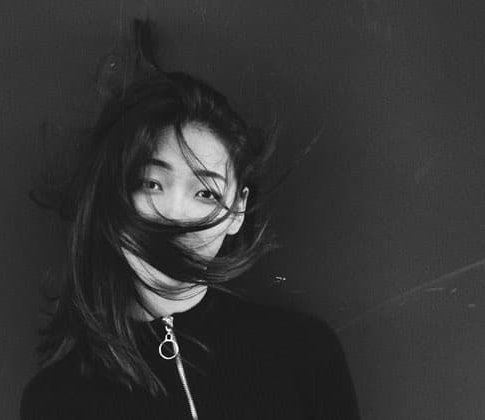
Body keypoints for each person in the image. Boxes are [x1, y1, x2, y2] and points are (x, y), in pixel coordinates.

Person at [20, 70, 360, 419]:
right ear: (110, 197)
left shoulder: (305, 353)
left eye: (206, 193)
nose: (175, 217)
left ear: (237, 210)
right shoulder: (53, 402)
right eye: (151, 183)